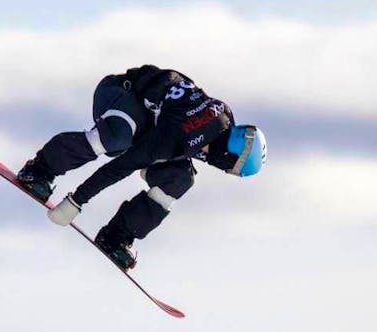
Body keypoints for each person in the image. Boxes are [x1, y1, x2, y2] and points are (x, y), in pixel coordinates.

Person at [17, 65, 267, 270]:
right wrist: (75, 202)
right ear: (227, 156)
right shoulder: (177, 137)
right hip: (118, 93)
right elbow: (120, 167)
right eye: (234, 168)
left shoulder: (221, 123)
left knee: (180, 180)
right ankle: (40, 170)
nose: (226, 171)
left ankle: (116, 236)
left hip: (153, 122)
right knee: (116, 137)